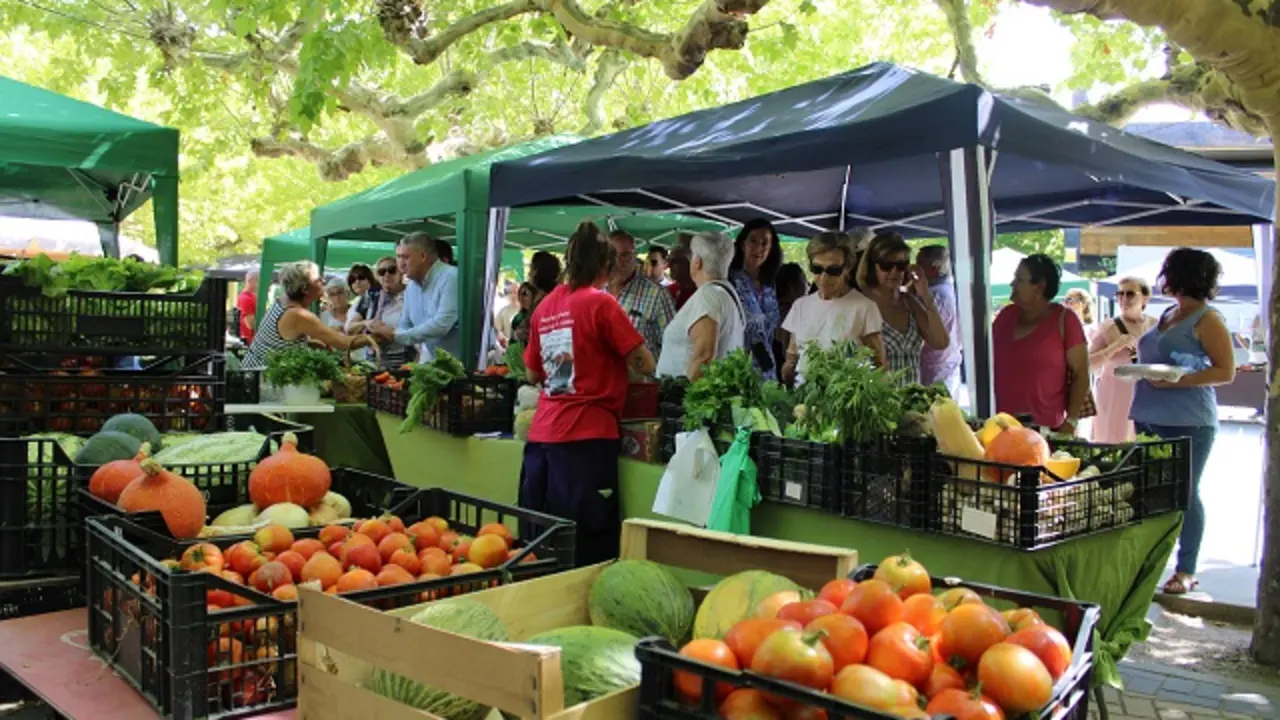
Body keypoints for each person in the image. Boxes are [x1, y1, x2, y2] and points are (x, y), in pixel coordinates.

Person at [520, 221, 656, 566]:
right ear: (605, 267)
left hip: (542, 439)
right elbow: (645, 362)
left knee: (542, 545)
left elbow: (532, 372)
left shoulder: (545, 306)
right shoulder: (602, 303)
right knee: (588, 550)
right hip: (587, 438)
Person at [1130, 249, 1235, 595]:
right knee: (1150, 491)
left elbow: (1226, 371)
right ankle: (1147, 564)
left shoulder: (1207, 319)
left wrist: (1178, 379)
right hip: (1147, 413)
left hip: (1189, 419)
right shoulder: (1170, 313)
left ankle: (1186, 569)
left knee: (1184, 493)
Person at [992, 254, 1089, 433]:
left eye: (1019, 279)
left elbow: (1081, 375)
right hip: (1001, 427)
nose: (1012, 284)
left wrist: (1072, 421)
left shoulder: (1065, 320)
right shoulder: (1005, 317)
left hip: (1046, 430)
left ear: (1040, 286)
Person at [781, 232, 885, 385]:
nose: (824, 278)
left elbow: (879, 364)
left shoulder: (864, 307)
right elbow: (791, 358)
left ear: (847, 268)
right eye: (817, 269)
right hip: (805, 399)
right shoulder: (800, 306)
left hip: (845, 400)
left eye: (833, 271)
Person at [241, 261, 379, 369]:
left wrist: (317, 343)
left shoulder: (283, 300)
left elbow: (285, 341)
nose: (323, 282)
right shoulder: (299, 315)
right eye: (319, 280)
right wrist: (375, 337)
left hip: (253, 372)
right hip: (261, 382)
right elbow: (343, 343)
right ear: (305, 289)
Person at [858, 232, 949, 385]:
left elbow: (941, 342)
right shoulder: (861, 304)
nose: (894, 272)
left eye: (901, 266)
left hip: (913, 402)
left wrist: (925, 295)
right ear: (873, 266)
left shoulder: (909, 302)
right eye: (886, 266)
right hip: (878, 403)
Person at [655, 232, 746, 380]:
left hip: (685, 399)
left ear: (697, 262)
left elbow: (704, 356)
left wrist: (688, 398)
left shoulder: (709, 295)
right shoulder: (726, 293)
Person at [1090, 276, 1157, 443]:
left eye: (1130, 294)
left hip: (1146, 396)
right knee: (1112, 445)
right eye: (1120, 294)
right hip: (1114, 397)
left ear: (1145, 298)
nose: (1123, 299)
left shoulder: (1155, 326)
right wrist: (1115, 347)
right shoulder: (1108, 326)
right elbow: (1087, 364)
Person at [372, 233, 459, 359]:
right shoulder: (411, 287)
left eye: (405, 257)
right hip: (435, 360)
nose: (400, 264)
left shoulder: (451, 277)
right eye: (398, 257)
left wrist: (396, 335)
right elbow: (404, 324)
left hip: (465, 364)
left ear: (423, 256)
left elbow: (441, 325)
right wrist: (393, 333)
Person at [606, 230, 675, 360]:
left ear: (635, 256)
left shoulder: (657, 294)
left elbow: (673, 345)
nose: (618, 262)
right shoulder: (596, 292)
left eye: (625, 255)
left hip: (642, 378)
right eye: (612, 255)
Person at [729, 219, 784, 379]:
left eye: (765, 243)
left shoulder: (770, 285)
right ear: (742, 244)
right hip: (738, 371)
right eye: (753, 241)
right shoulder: (730, 280)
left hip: (767, 371)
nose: (758, 248)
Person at [916, 245, 963, 396]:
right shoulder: (952, 290)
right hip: (947, 366)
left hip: (936, 370)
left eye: (920, 265)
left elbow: (929, 334)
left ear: (934, 268)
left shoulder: (935, 295)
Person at [351, 256, 412, 368]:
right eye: (382, 272)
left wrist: (387, 332)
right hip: (371, 363)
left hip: (403, 363)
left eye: (392, 270)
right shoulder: (371, 295)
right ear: (377, 276)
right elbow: (349, 327)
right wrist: (366, 323)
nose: (386, 275)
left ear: (401, 272)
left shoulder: (412, 294)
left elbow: (420, 333)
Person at [773, 262, 809, 372]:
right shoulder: (790, 313)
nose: (808, 284)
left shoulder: (774, 309)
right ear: (792, 286)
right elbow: (788, 356)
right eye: (804, 280)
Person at [346, 264, 379, 333]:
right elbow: (349, 328)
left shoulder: (377, 296)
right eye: (353, 280)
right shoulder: (356, 303)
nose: (357, 281)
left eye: (361, 277)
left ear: (370, 279)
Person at [665, 246, 697, 311]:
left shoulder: (701, 293)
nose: (669, 265)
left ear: (689, 262)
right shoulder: (668, 291)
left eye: (674, 261)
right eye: (668, 260)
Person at [236, 270, 259, 344]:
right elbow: (250, 324)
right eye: (259, 281)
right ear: (250, 281)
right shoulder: (246, 299)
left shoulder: (252, 297)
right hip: (251, 341)